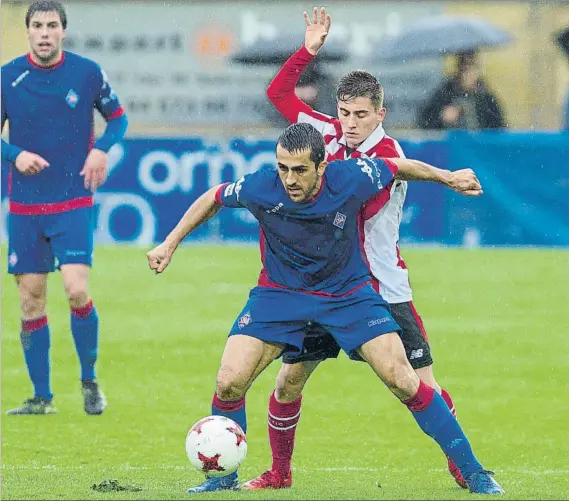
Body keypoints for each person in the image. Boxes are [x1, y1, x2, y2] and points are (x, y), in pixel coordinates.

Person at [147, 122, 503, 496]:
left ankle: (475, 473)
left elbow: (398, 166)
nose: (289, 178)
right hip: (280, 296)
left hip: (347, 294)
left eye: (299, 169)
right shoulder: (261, 186)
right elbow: (213, 197)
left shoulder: (351, 177)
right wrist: (169, 244)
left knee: (403, 379)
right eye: (283, 167)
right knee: (229, 381)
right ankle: (223, 478)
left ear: (323, 165)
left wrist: (447, 178)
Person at [243, 7, 472, 490]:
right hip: (328, 290)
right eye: (344, 112)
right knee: (288, 381)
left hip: (381, 289)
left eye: (361, 115)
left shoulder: (390, 158)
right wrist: (309, 51)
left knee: (419, 387)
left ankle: (464, 468)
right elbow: (277, 95)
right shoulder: (325, 134)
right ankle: (279, 473)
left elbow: (351, 212)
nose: (349, 124)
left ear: (380, 114)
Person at [1, 0, 128, 415]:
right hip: (23, 206)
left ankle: (89, 380)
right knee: (31, 301)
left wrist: (102, 150)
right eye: (37, 25)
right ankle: (42, 397)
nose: (44, 33)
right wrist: (13, 154)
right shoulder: (7, 77)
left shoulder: (86, 72)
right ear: (28, 32)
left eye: (51, 25)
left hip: (72, 201)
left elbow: (119, 119)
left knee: (76, 290)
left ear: (62, 31)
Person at [417, 50, 505, 130]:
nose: (469, 74)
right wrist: (442, 117)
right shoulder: (445, 93)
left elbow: (498, 126)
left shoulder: (485, 96)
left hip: (478, 145)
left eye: (473, 68)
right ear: (459, 70)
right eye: (465, 69)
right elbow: (424, 120)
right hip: (452, 145)